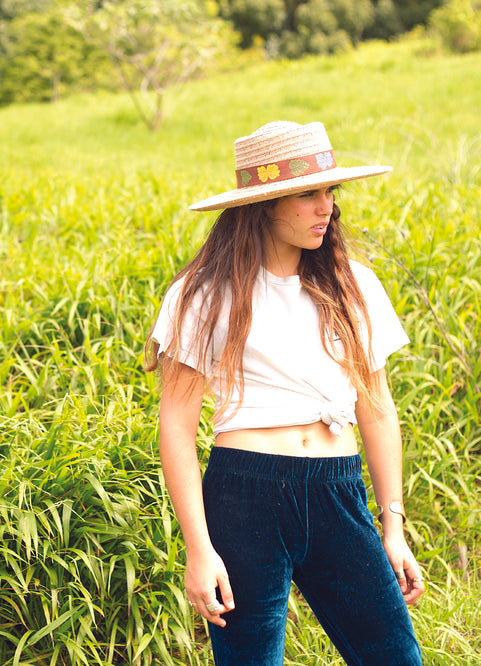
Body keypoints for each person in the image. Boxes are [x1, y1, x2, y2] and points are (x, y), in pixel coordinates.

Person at [146, 120, 425, 665]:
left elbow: (379, 410)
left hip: (338, 492)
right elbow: (176, 427)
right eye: (306, 194)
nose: (327, 207)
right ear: (263, 205)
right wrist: (198, 549)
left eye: (329, 191)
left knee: (394, 655)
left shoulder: (355, 285)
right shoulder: (202, 293)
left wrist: (393, 526)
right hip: (245, 494)